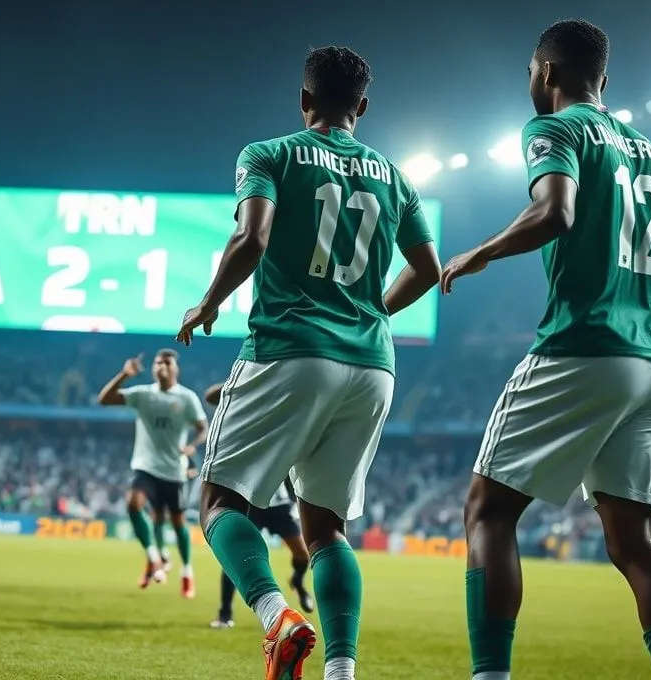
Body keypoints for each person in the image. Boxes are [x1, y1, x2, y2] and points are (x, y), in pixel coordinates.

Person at [439, 19, 651, 680]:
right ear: (606, 81)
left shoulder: (552, 129)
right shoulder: (650, 151)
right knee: (635, 541)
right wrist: (639, 309)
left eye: (532, 70)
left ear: (548, 72)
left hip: (587, 346)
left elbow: (555, 212)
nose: (532, 81)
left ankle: (490, 675)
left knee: (488, 509)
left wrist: (481, 250)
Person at [177, 46, 441, 680]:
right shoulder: (395, 176)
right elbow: (428, 270)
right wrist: (370, 309)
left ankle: (276, 618)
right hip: (372, 365)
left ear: (303, 100)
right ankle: (341, 672)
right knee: (327, 529)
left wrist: (208, 303)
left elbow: (252, 237)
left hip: (290, 348)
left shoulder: (268, 154)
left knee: (218, 502)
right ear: (363, 107)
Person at [97, 349, 207, 597]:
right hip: (145, 466)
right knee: (134, 504)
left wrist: (193, 445)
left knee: (173, 521)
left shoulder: (186, 398)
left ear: (175, 369)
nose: (162, 366)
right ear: (152, 368)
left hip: (173, 470)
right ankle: (154, 558)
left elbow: (204, 428)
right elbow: (104, 399)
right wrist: (124, 375)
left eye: (167, 363)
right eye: (158, 363)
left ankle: (187, 571)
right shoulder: (143, 394)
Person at [207, 380, 314, 631]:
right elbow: (212, 396)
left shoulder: (284, 421)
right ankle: (224, 614)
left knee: (301, 554)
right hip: (249, 497)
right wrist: (245, 382)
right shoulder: (244, 411)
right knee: (237, 556)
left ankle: (297, 582)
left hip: (277, 502)